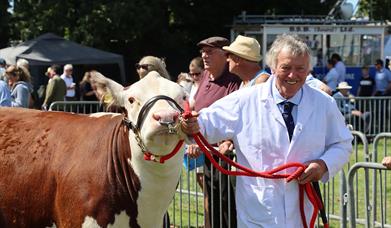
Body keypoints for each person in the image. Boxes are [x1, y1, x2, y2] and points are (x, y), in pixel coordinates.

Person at [181, 34, 353, 227]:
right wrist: (191, 124)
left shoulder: (323, 104)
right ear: (272, 67)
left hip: (302, 211)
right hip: (258, 211)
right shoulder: (245, 100)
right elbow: (205, 122)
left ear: (309, 70)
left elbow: (342, 143)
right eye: (286, 68)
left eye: (300, 69)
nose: (292, 75)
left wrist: (323, 165)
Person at [187, 36, 241, 228]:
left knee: (228, 203)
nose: (204, 55)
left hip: (226, 155)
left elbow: (237, 115)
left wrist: (229, 142)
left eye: (210, 51)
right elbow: (194, 108)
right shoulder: (203, 77)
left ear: (225, 55)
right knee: (213, 201)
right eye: (203, 51)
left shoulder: (234, 80)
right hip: (206, 152)